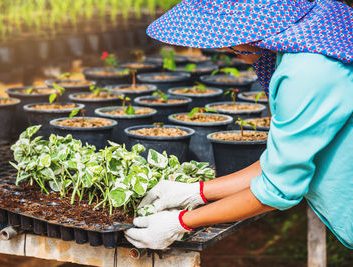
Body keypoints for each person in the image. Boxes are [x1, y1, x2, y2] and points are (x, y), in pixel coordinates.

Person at [124, 0, 353, 250]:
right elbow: (277, 164)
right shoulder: (320, 35)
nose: (232, 51)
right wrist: (195, 191)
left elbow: (278, 188)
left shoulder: (308, 70)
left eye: (232, 46)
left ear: (252, 27)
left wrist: (181, 222)